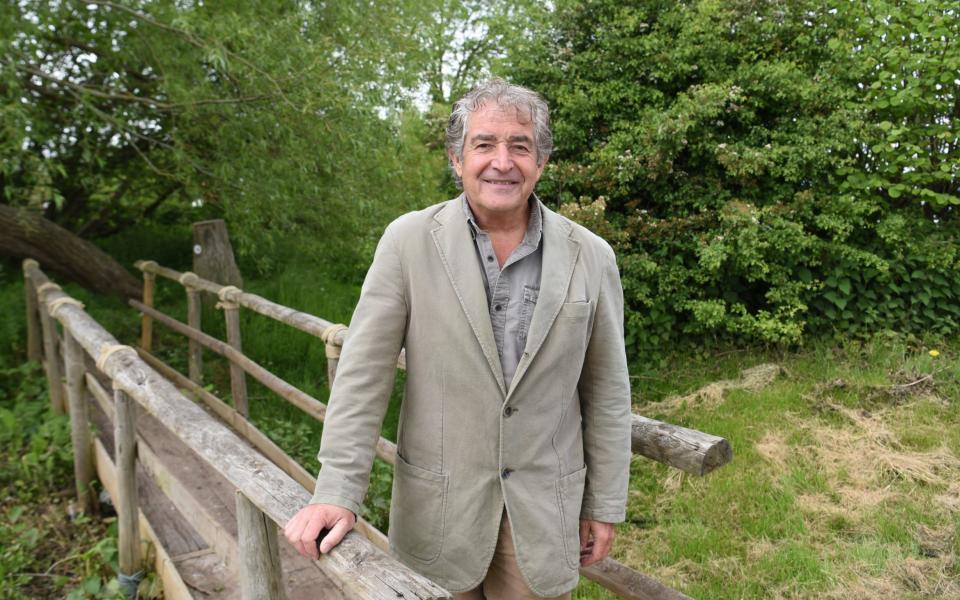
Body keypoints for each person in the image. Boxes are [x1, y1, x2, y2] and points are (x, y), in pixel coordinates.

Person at [284, 78, 631, 599]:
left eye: (520, 146)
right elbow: (363, 375)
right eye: (484, 144)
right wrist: (336, 491)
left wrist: (602, 505)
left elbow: (606, 390)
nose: (502, 161)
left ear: (542, 161)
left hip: (544, 516)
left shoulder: (592, 255)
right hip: (437, 513)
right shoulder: (407, 241)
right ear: (456, 157)